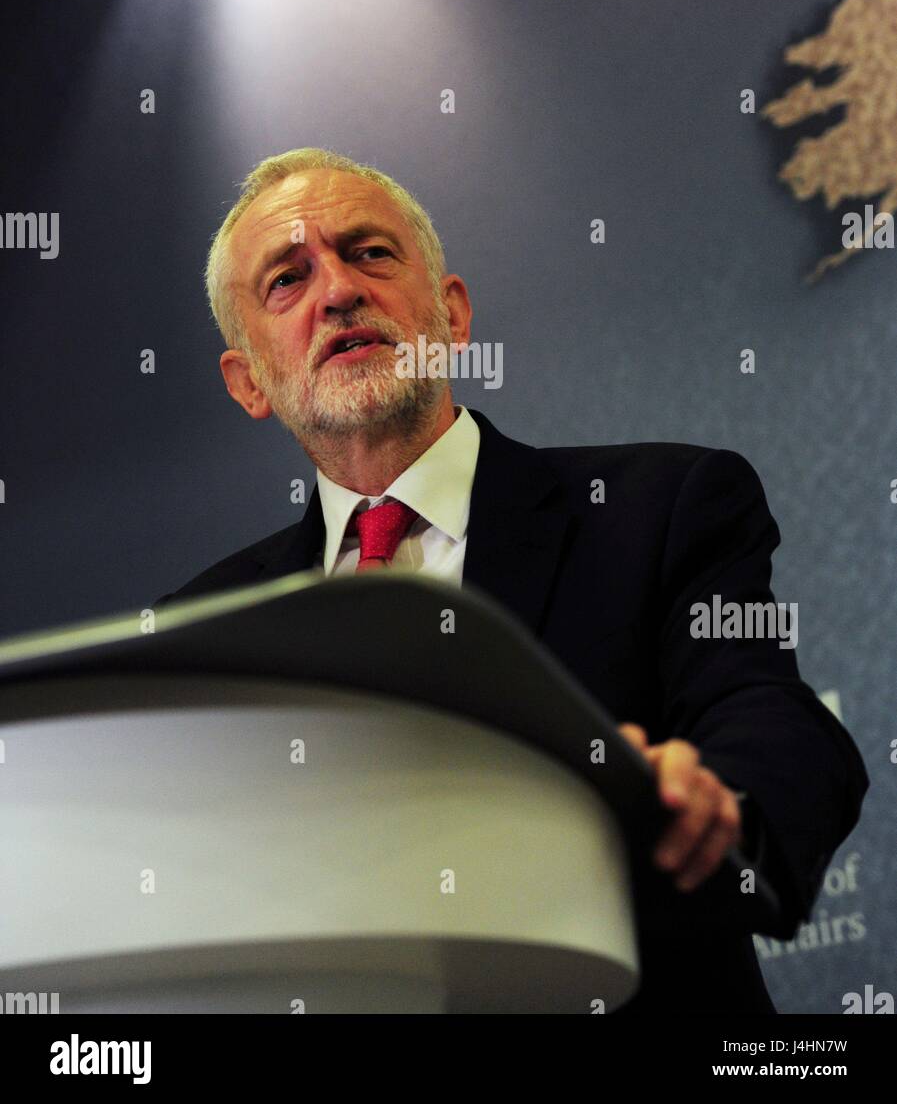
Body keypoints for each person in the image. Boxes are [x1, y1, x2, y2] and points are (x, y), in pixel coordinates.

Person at [157, 147, 868, 1015]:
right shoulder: (203, 626)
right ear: (248, 382)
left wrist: (716, 801)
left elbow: (769, 716)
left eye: (369, 253)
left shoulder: (659, 508)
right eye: (286, 279)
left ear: (453, 315)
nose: (337, 292)